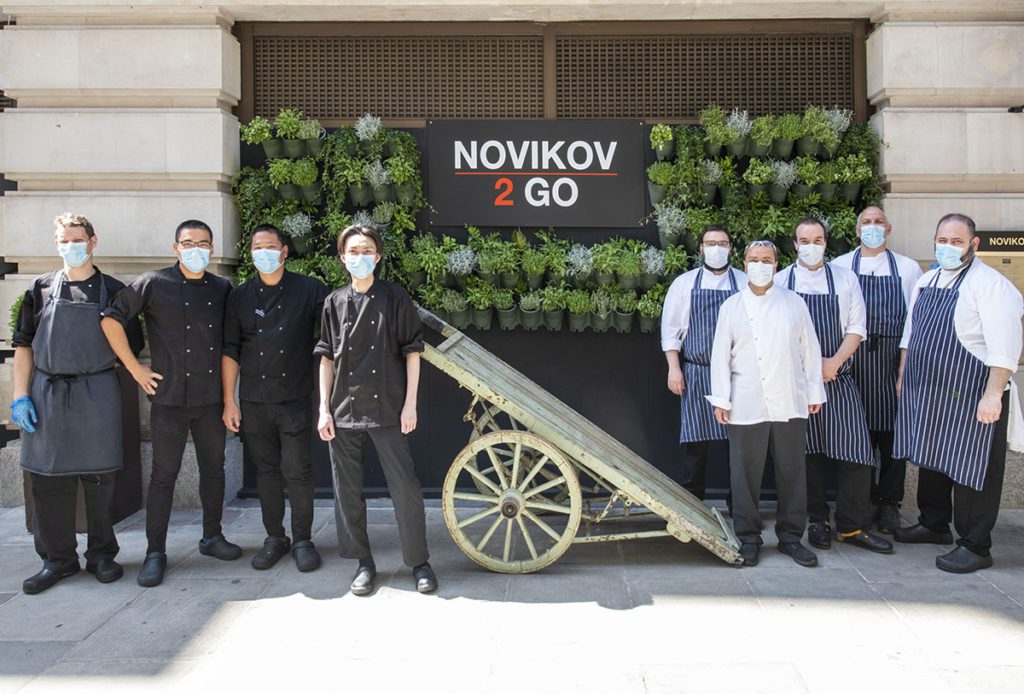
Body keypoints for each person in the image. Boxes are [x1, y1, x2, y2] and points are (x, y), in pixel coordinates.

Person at [100, 219, 240, 587]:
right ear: (175, 247)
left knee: (214, 469)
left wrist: (230, 400)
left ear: (212, 248)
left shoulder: (222, 288)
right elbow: (111, 320)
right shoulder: (153, 282)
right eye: (188, 243)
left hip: (210, 400)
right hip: (168, 399)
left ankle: (212, 536)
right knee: (163, 476)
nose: (196, 249)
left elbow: (230, 345)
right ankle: (155, 553)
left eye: (203, 243)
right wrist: (135, 369)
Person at [10, 213, 143, 594]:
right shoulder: (39, 289)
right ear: (56, 244)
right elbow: (23, 345)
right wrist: (20, 396)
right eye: (64, 240)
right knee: (47, 479)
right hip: (47, 393)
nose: (71, 246)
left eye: (77, 239)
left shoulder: (114, 290)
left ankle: (102, 555)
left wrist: (95, 370)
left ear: (93, 241)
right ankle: (58, 560)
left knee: (100, 479)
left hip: (96, 392)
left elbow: (131, 346)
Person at [893, 213, 1023, 573]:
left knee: (972, 466)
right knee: (932, 458)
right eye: (942, 241)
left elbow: (1005, 348)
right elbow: (911, 332)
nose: (947, 248)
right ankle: (934, 524)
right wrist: (904, 374)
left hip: (972, 392)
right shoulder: (928, 280)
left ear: (973, 244)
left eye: (956, 242)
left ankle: (975, 545)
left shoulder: (991, 285)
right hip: (930, 390)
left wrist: (992, 395)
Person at [315, 225, 435, 596]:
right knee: (347, 490)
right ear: (342, 257)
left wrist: (410, 404)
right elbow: (326, 357)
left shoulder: (394, 297)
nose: (360, 257)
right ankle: (363, 563)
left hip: (389, 407)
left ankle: (419, 562)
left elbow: (412, 351)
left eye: (367, 250)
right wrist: (323, 408)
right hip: (343, 408)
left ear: (378, 257)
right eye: (353, 251)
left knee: (405, 488)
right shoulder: (333, 302)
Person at [776, 218, 893, 555]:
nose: (811, 246)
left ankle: (852, 525)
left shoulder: (845, 278)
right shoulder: (781, 282)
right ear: (795, 245)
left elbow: (857, 327)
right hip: (797, 385)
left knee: (856, 452)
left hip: (838, 378)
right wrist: (805, 371)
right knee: (808, 455)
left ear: (826, 243)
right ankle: (817, 520)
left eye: (818, 240)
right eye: (804, 240)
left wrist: (834, 362)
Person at [707, 240, 824, 568]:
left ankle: (791, 538)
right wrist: (721, 399)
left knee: (792, 472)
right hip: (745, 400)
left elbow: (810, 351)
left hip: (790, 398)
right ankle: (748, 538)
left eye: (766, 260)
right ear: (744, 264)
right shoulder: (731, 306)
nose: (760, 265)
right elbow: (720, 356)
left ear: (776, 264)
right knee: (744, 475)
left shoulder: (794, 303)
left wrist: (814, 393)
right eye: (754, 260)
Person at [222, 225, 329, 572]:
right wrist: (230, 400)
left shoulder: (310, 289)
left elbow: (333, 335)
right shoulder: (239, 297)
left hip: (295, 397)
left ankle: (303, 540)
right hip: (254, 400)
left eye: (270, 247)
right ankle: (274, 538)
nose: (263, 253)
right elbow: (230, 350)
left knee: (298, 471)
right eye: (257, 247)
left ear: (284, 252)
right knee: (266, 471)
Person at [832, 206, 923, 534]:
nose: (872, 227)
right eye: (866, 222)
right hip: (853, 362)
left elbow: (914, 322)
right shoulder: (840, 266)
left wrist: (904, 370)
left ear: (889, 228)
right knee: (857, 436)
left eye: (878, 222)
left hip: (890, 363)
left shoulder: (908, 268)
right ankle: (863, 500)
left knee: (892, 438)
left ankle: (889, 503)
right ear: (857, 230)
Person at [661, 226, 747, 500]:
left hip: (737, 374)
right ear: (701, 248)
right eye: (711, 243)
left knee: (740, 445)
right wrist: (674, 368)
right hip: (697, 371)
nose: (716, 248)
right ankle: (693, 505)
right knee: (696, 446)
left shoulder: (744, 282)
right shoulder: (684, 284)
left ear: (730, 248)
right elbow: (671, 330)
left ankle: (739, 506)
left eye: (722, 243)